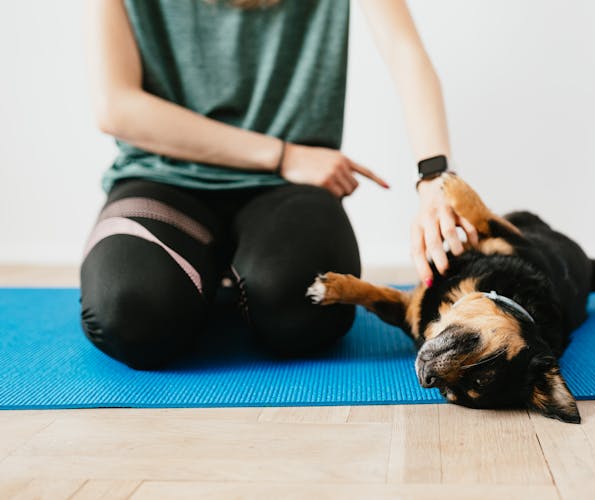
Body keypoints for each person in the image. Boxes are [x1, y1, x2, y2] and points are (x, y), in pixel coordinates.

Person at [81, 0, 478, 370]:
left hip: (286, 190)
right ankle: (209, 283)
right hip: (162, 178)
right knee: (131, 314)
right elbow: (116, 106)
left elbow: (404, 51)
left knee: (304, 309)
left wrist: (435, 179)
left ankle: (225, 283)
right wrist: (283, 154)